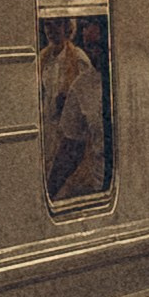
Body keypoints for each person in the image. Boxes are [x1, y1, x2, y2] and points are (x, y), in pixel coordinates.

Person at [38, 17, 110, 201]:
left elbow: (74, 147)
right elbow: (70, 148)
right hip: (51, 129)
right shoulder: (44, 60)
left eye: (56, 24)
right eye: (48, 25)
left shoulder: (79, 60)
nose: (51, 30)